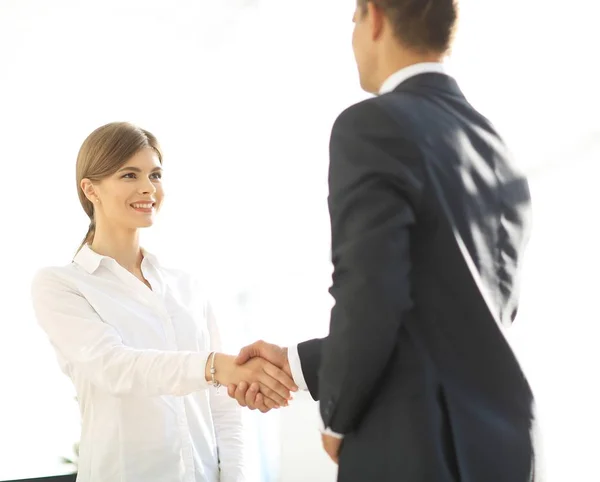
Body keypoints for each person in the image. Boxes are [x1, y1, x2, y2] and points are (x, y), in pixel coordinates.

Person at [228, 1, 539, 481]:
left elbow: (372, 292)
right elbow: (452, 323)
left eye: (352, 20)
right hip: (507, 449)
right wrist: (295, 362)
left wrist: (338, 414)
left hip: (418, 450)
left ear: (373, 16)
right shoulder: (498, 149)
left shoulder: (371, 125)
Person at [31, 122, 297, 482]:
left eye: (155, 174)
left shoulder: (187, 286)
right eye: (129, 174)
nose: (148, 188)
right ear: (90, 189)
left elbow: (223, 405)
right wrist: (215, 366)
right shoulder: (61, 284)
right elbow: (115, 368)